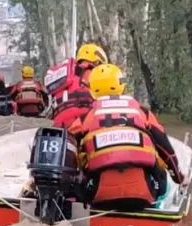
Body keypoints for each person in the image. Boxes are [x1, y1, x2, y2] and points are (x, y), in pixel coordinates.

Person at [66, 63, 184, 211]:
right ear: (120, 85)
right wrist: (178, 178)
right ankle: (156, 207)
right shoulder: (143, 112)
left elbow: (66, 145)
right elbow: (165, 148)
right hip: (144, 193)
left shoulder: (86, 118)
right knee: (159, 168)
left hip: (100, 196)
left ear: (92, 89)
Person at [46, 43, 107, 128]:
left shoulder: (66, 74)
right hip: (80, 119)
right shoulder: (92, 74)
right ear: (97, 61)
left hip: (59, 123)